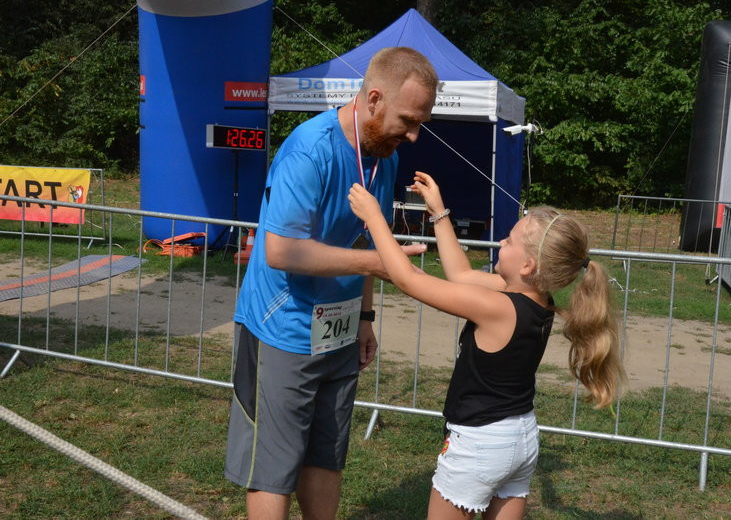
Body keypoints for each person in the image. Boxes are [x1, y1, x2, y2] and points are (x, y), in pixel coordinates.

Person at [225, 47, 438, 519]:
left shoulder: (385, 155)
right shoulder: (310, 148)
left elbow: (365, 239)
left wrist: (365, 317)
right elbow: (280, 249)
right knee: (273, 467)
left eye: (421, 121)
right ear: (375, 98)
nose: (414, 134)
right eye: (407, 119)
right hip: (282, 327)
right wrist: (378, 265)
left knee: (326, 454)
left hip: (338, 331)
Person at [348, 172, 625, 520]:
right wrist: (438, 213)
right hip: (520, 437)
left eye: (508, 241)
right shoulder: (534, 298)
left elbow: (409, 279)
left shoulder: (499, 307)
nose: (500, 244)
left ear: (528, 265)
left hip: (480, 443)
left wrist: (374, 219)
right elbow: (461, 276)